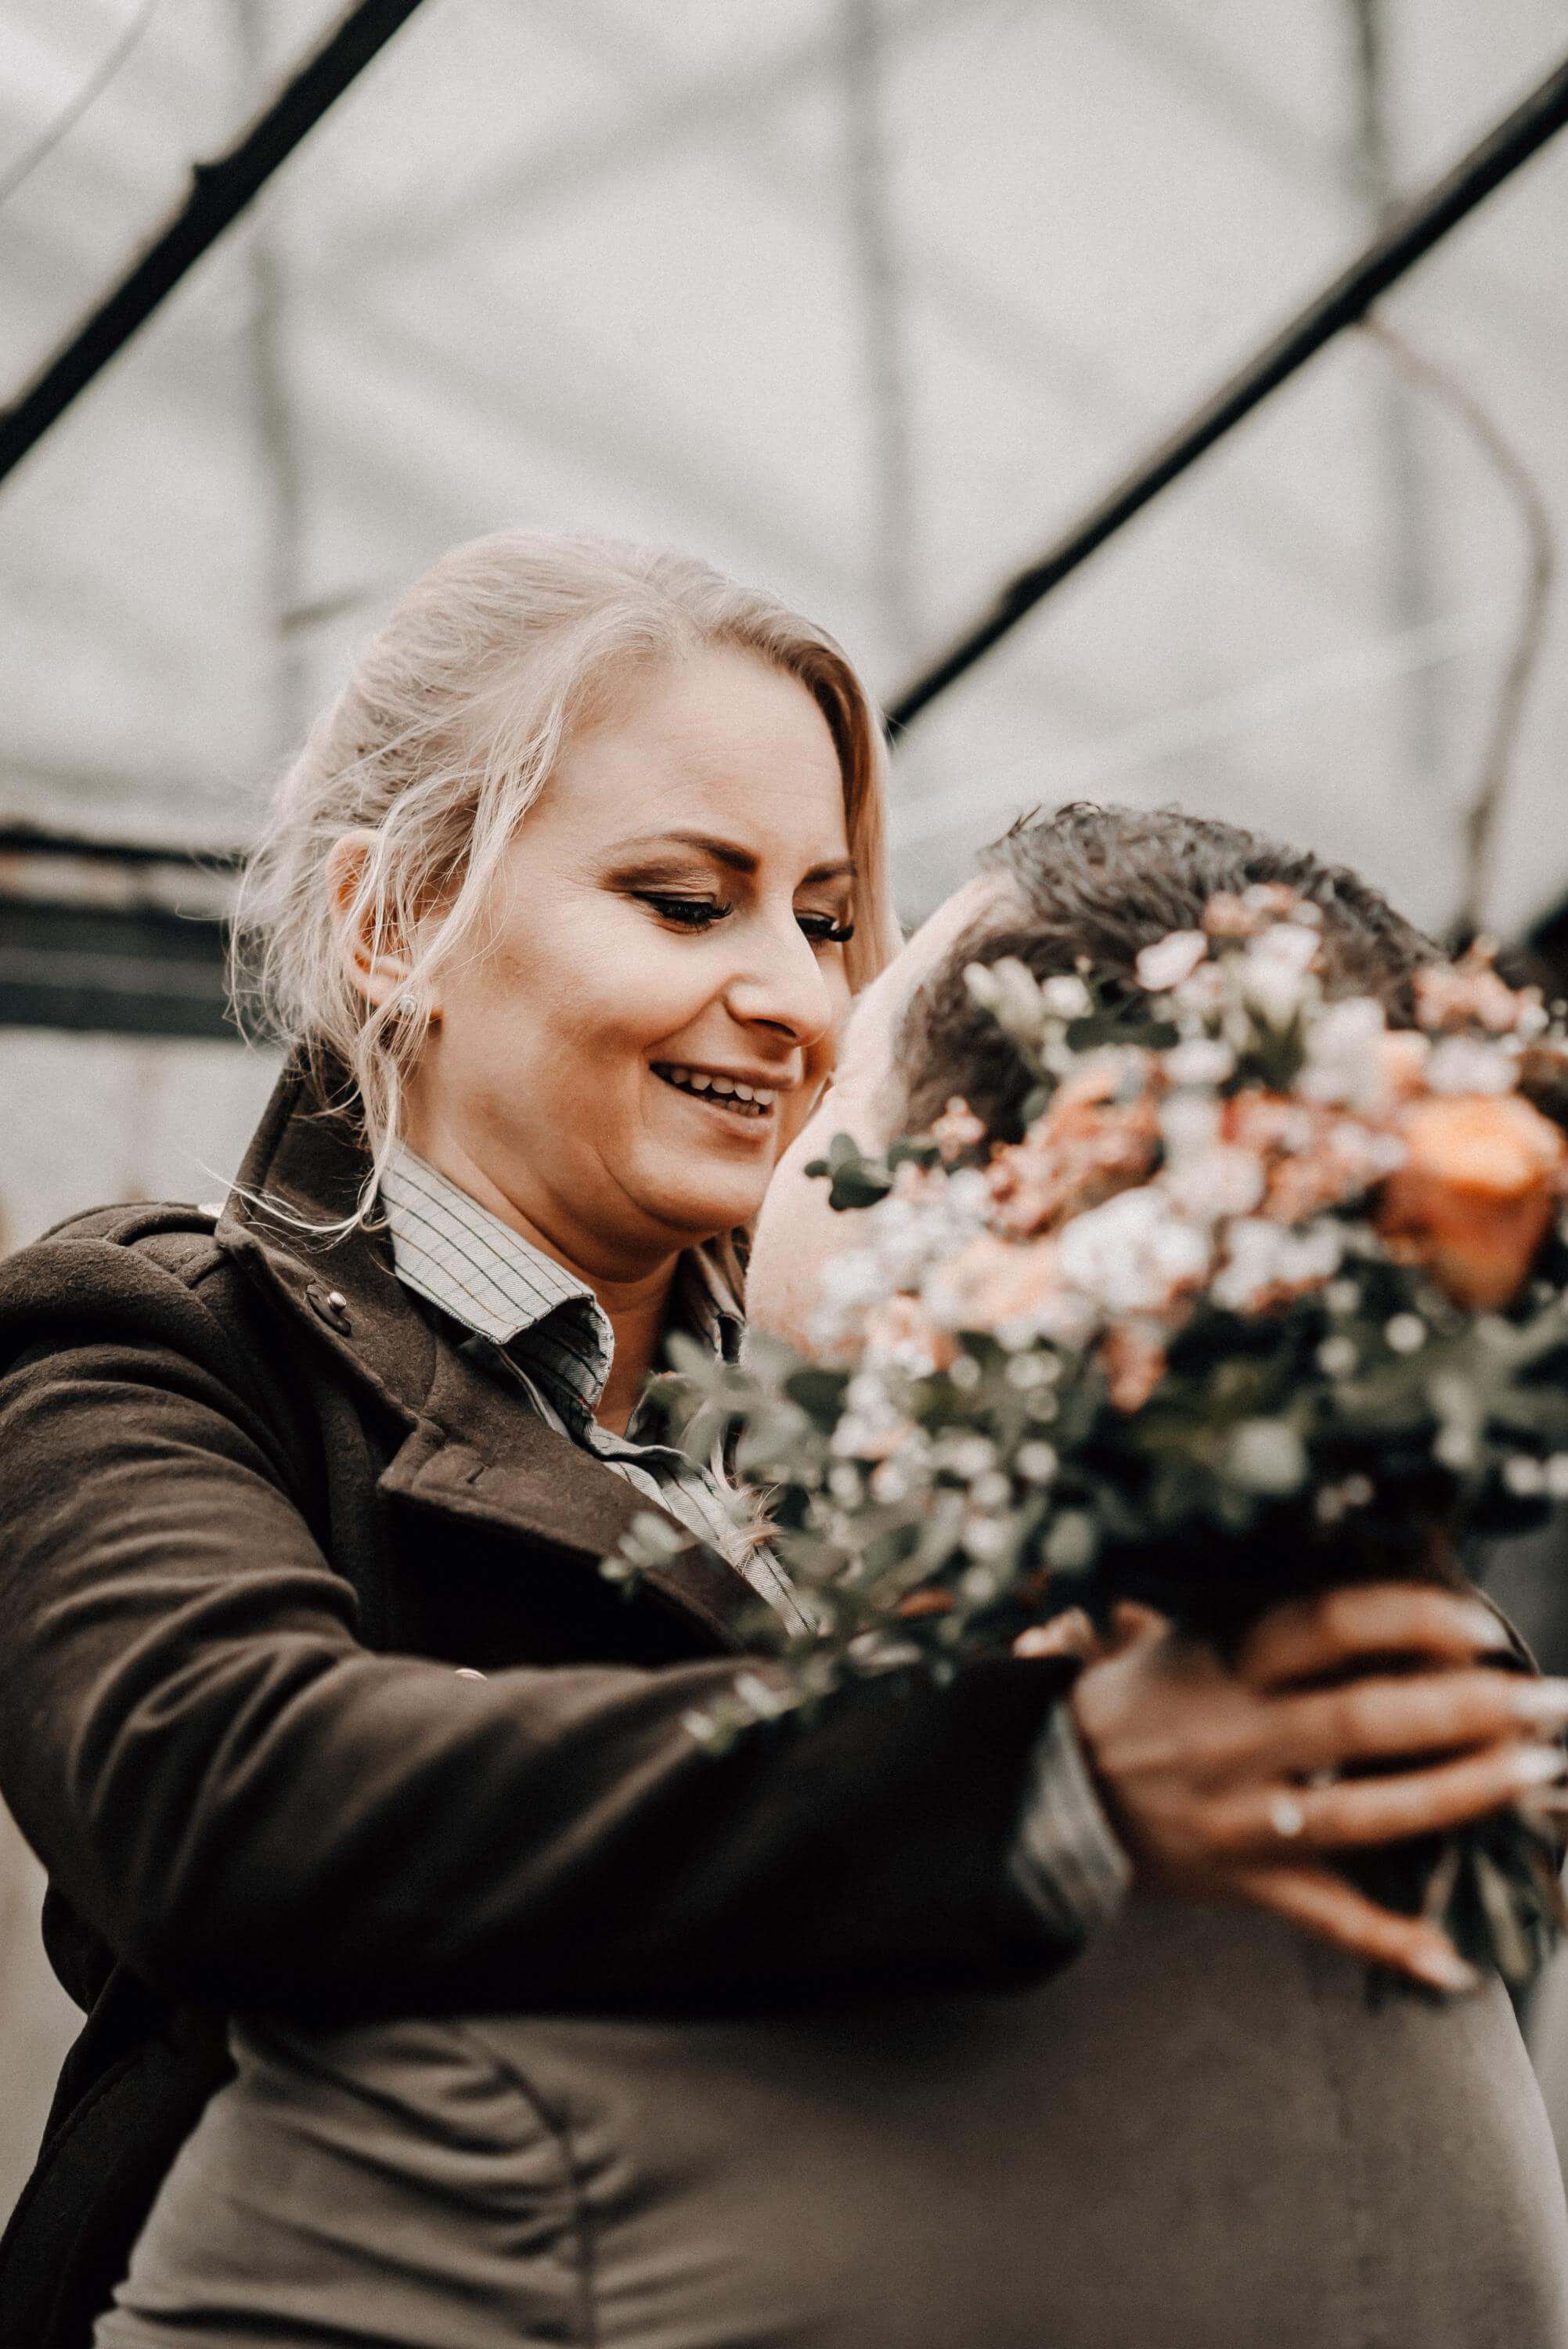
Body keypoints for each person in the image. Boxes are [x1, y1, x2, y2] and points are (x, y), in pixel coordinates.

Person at [0, 573, 1552, 2349]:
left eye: (827, 920)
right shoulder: (145, 1337)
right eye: (685, 902)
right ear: (389, 919)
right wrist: (1037, 1776)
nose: (796, 997)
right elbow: (216, 1790)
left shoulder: (912, 1336)